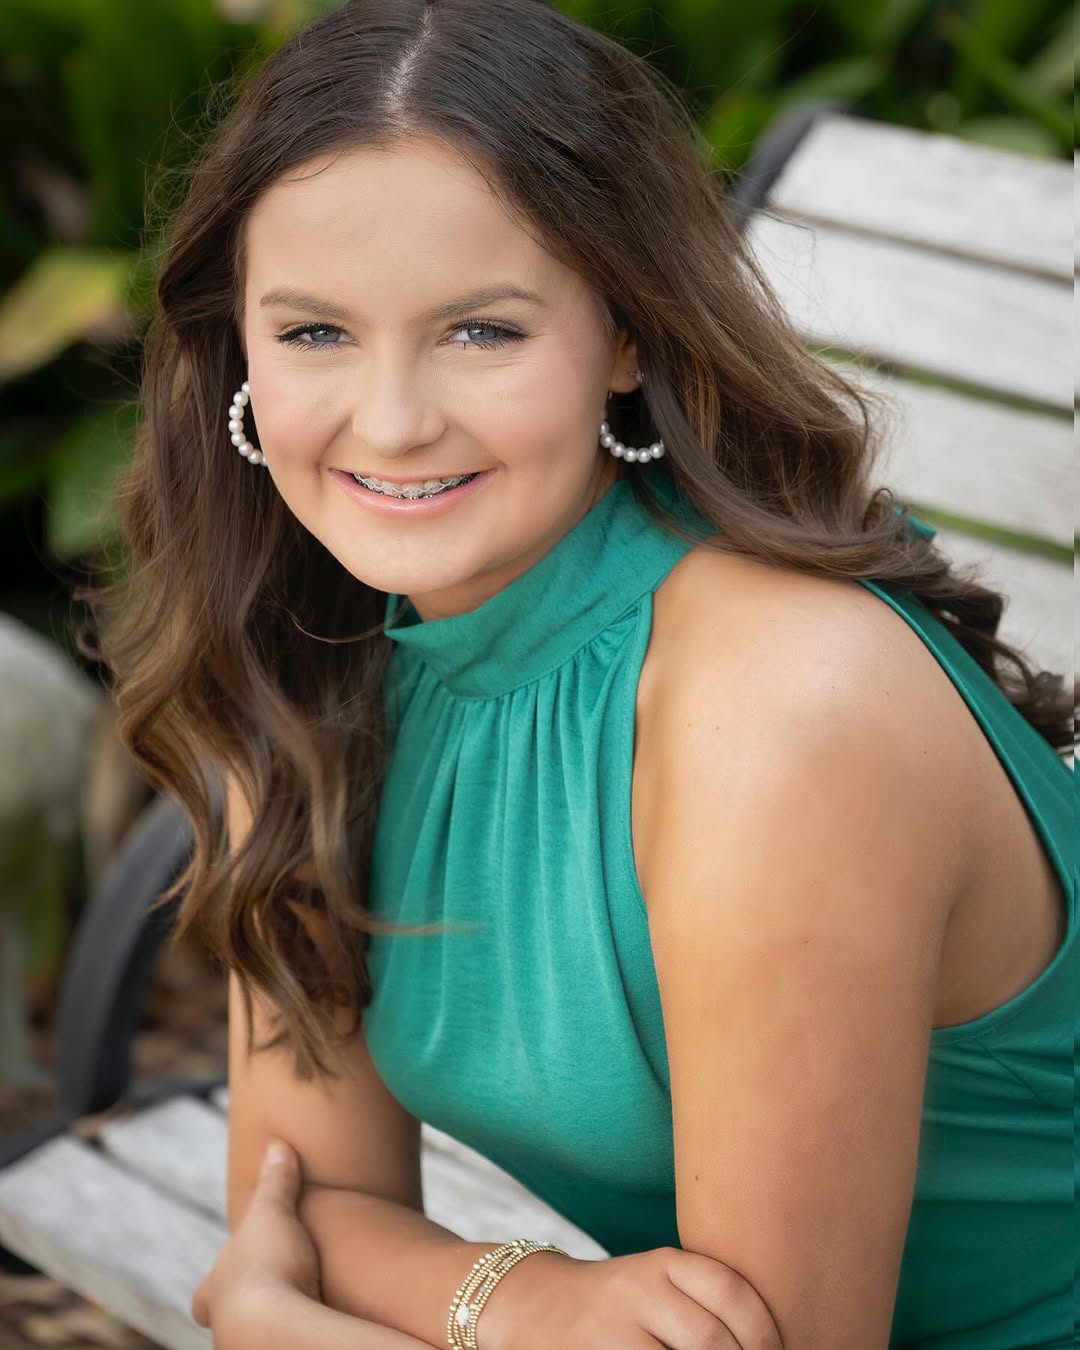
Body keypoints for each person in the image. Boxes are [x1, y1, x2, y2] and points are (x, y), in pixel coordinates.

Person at [79, 1, 1075, 1347]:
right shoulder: (303, 649)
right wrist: (520, 1298)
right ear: (235, 346)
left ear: (629, 333)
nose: (392, 421)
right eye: (314, 332)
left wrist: (299, 1328)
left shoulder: (778, 708)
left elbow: (287, 1289)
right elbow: (300, 1207)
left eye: (481, 331)